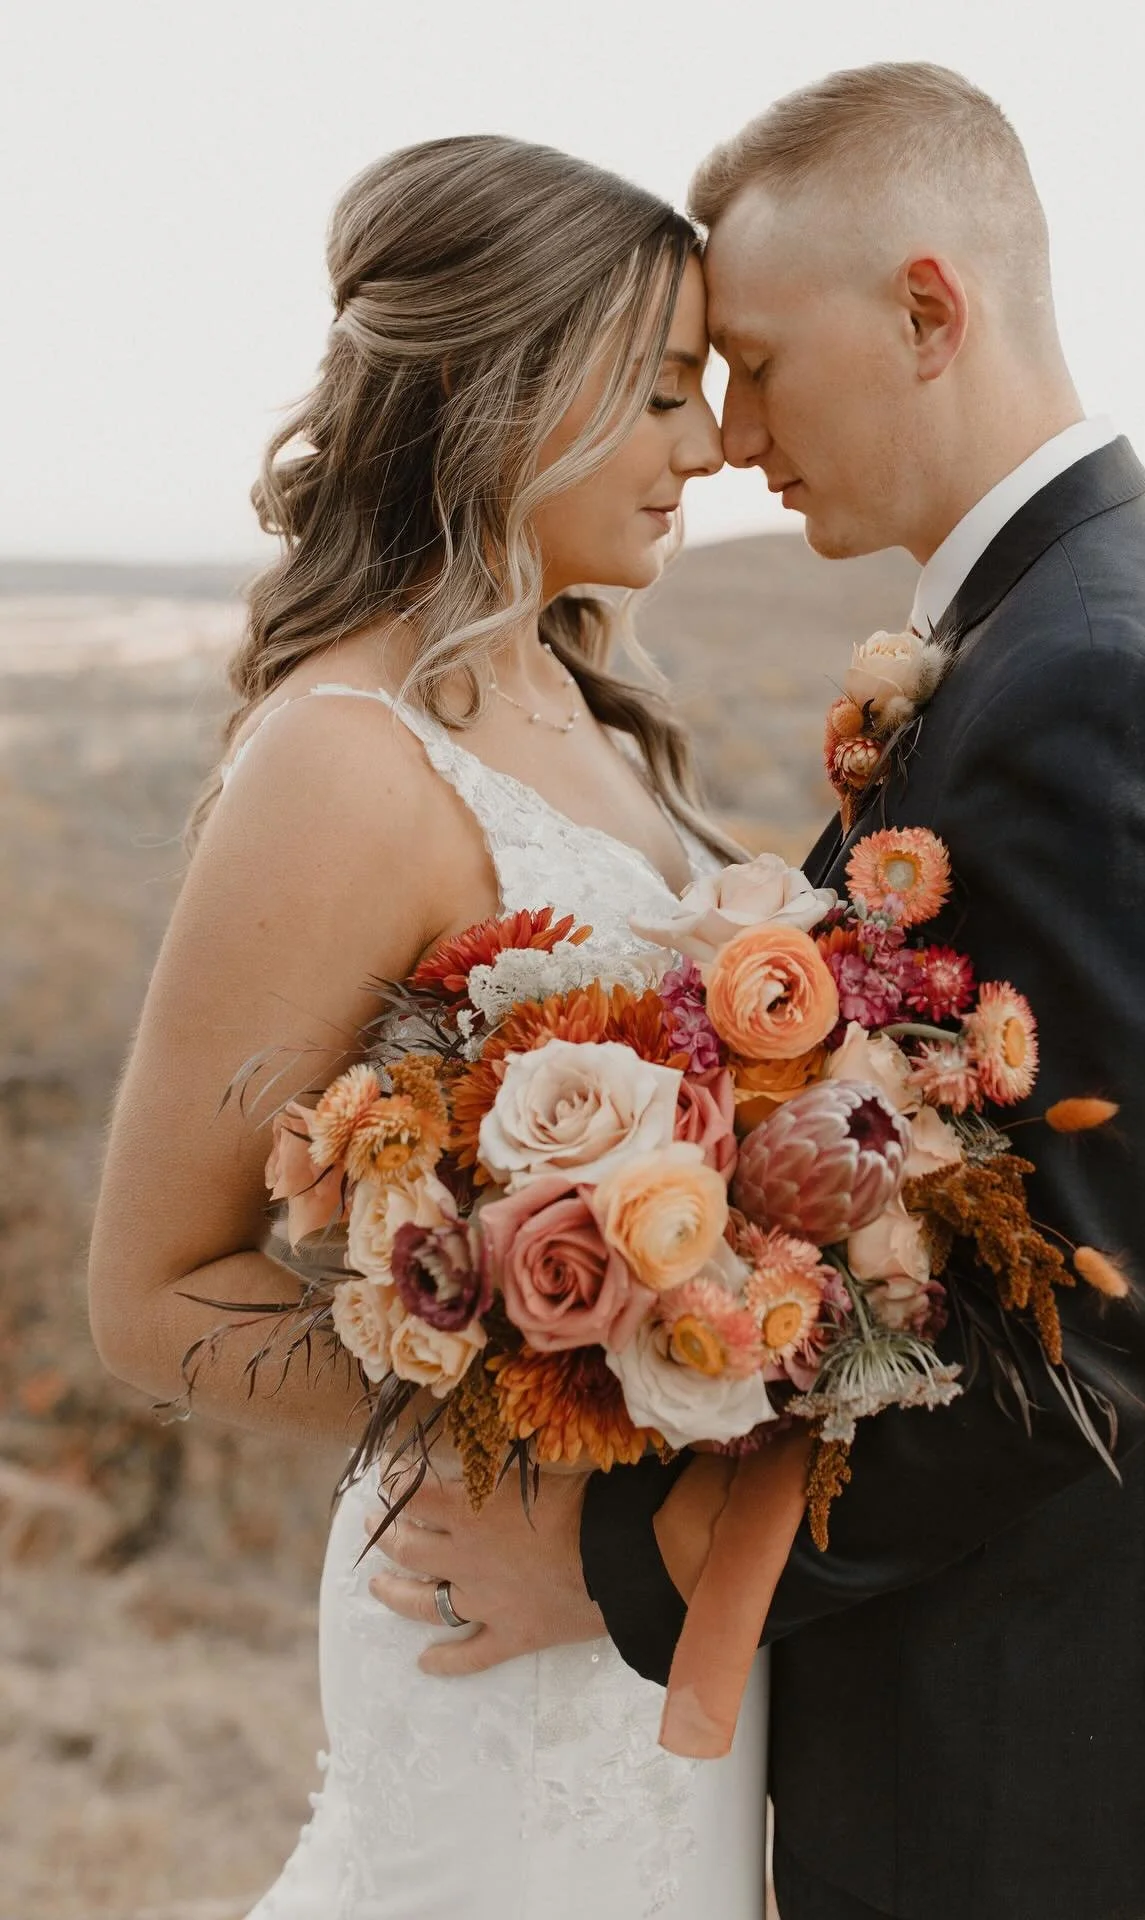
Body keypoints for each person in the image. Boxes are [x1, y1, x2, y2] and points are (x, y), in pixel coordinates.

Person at [387, 65, 1145, 1920]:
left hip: (1002, 1764)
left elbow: (1088, 1348)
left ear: (925, 311)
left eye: (752, 358)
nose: (726, 434)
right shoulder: (1054, 634)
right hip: (971, 1715)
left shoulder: (1093, 684)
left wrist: (616, 1575)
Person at [87, 135, 772, 1919]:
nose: (703, 445)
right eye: (657, 390)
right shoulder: (343, 762)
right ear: (501, 388)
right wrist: (553, 1428)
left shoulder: (576, 695)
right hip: (498, 1602)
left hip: (634, 1605)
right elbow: (151, 1302)